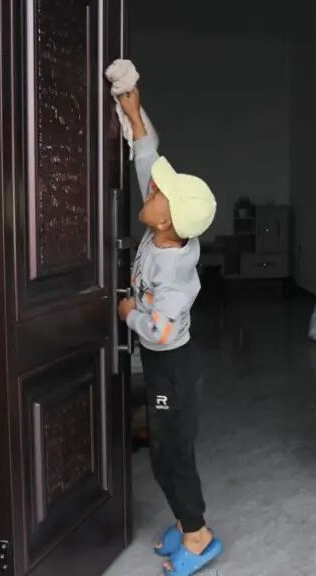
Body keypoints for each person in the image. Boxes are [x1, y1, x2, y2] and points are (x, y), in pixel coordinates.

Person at [116, 88, 222, 575]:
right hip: (166, 367)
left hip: (172, 369)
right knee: (163, 452)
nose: (150, 192)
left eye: (157, 195)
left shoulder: (175, 272)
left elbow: (158, 331)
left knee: (172, 454)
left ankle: (198, 535)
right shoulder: (166, 228)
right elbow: (149, 165)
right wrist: (135, 116)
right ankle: (185, 523)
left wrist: (127, 313)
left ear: (166, 220)